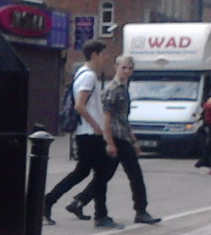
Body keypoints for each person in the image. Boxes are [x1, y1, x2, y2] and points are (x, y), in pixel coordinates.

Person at [62, 55, 161, 225]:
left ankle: (79, 201)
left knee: (105, 176)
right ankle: (141, 211)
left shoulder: (124, 88)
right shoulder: (112, 89)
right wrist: (109, 142)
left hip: (123, 137)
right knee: (134, 175)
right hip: (115, 139)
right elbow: (106, 117)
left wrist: (134, 140)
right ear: (116, 67)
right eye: (124, 67)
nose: (127, 71)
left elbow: (123, 119)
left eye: (130, 68)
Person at [44, 39, 123, 229]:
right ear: (94, 54)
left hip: (84, 133)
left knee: (82, 172)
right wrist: (96, 126)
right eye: (104, 54)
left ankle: (48, 201)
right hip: (89, 134)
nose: (106, 58)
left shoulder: (82, 73)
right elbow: (80, 105)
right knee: (101, 172)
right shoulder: (88, 77)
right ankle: (101, 215)